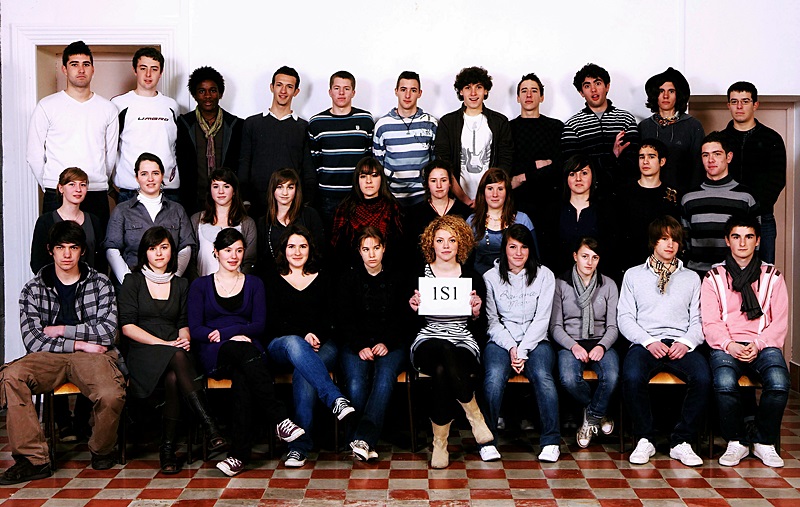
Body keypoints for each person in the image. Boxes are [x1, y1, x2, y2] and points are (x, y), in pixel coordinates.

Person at [0, 221, 124, 484]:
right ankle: (33, 460)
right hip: (51, 356)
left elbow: (107, 333)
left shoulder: (101, 283)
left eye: (73, 247)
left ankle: (101, 449)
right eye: (60, 247)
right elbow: (33, 340)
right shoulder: (33, 289)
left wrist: (62, 330)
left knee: (111, 394)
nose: (67, 254)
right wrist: (79, 343)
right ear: (50, 250)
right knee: (12, 376)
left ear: (82, 251)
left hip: (93, 356)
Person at [188, 228, 305, 477]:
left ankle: (238, 457)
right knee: (243, 351)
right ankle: (279, 418)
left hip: (248, 352)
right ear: (215, 252)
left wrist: (230, 331)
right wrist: (230, 335)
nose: (233, 256)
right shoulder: (200, 285)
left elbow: (259, 325)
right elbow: (196, 329)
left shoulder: (254, 283)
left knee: (244, 377)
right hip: (215, 352)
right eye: (227, 250)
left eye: (239, 250)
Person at [119, 226, 226, 474]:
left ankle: (167, 450)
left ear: (172, 251)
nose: (159, 253)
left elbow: (183, 324)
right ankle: (210, 427)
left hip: (174, 348)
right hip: (143, 350)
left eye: (164, 247)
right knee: (177, 357)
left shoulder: (181, 284)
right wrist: (165, 344)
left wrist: (184, 339)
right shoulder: (132, 281)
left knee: (174, 376)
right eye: (152, 248)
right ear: (144, 252)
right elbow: (127, 327)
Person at [618, 216, 710, 467]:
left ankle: (682, 441)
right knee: (632, 376)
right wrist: (648, 341)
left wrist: (686, 342)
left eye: (675, 240)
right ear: (653, 242)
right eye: (664, 239)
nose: (670, 245)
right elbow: (625, 317)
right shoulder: (634, 275)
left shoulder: (691, 278)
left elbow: (699, 319)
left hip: (681, 342)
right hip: (646, 342)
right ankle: (644, 439)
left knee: (703, 378)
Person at [701, 215, 789, 468]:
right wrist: (729, 345)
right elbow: (710, 322)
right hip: (726, 345)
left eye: (749, 237)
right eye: (736, 237)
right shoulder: (714, 277)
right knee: (724, 382)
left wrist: (758, 344)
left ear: (758, 241)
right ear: (727, 241)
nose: (742, 243)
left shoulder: (772, 276)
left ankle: (763, 441)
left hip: (763, 344)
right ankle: (736, 441)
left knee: (779, 382)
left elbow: (779, 322)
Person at [264, 225, 356, 468]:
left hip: (321, 344)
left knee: (303, 372)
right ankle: (334, 398)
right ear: (283, 250)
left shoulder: (324, 277)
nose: (297, 252)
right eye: (291, 246)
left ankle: (298, 448)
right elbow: (273, 321)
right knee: (295, 343)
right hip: (282, 345)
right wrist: (303, 335)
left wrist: (317, 335)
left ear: (310, 249)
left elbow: (332, 317)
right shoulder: (272, 278)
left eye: (302, 246)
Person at [407, 215, 490, 468]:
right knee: (443, 349)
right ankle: (474, 414)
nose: (445, 246)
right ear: (431, 243)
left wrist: (476, 312)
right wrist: (412, 309)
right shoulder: (418, 276)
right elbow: (406, 323)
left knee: (443, 369)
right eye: (440, 240)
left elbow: (482, 325)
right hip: (428, 340)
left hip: (462, 341)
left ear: (460, 243)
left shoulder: (472, 277)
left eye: (452, 240)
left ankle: (440, 444)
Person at [480, 225, 557, 462]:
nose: (518, 253)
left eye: (524, 247)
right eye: (512, 247)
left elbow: (542, 319)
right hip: (502, 341)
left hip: (536, 341)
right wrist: (512, 347)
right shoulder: (490, 277)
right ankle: (487, 441)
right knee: (493, 377)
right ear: (504, 248)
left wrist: (522, 350)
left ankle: (551, 441)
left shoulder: (545, 275)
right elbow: (492, 322)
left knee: (543, 376)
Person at [337, 227, 412, 461]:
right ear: (359, 251)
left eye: (376, 248)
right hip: (356, 343)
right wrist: (360, 345)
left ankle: (363, 439)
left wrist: (386, 342)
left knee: (384, 377)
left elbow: (403, 317)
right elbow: (344, 318)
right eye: (366, 249)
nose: (371, 254)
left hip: (390, 343)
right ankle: (356, 439)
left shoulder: (397, 276)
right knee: (356, 384)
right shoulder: (348, 278)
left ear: (384, 249)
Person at [27, 41, 118, 224]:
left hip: (96, 191)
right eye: (74, 64)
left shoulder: (108, 109)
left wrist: (98, 180)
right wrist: (52, 184)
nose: (81, 70)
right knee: (56, 241)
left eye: (86, 64)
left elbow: (110, 156)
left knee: (95, 242)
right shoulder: (47, 106)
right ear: (64, 69)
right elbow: (34, 154)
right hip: (57, 192)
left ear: (93, 69)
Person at [550, 237, 619, 449]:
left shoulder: (608, 284)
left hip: (600, 341)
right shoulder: (560, 284)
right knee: (569, 379)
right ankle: (600, 411)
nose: (589, 262)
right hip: (571, 342)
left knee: (612, 376)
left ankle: (591, 417)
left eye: (595, 257)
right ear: (575, 256)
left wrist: (601, 346)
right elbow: (555, 326)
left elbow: (613, 326)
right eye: (585, 256)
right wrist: (573, 346)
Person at [105, 152, 196, 285]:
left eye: (155, 173)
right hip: (133, 283)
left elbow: (186, 248)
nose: (150, 179)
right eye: (144, 174)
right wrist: (128, 282)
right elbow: (112, 249)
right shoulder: (122, 210)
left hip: (169, 284)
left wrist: (172, 279)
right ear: (137, 177)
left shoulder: (177, 210)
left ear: (162, 175)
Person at [723, 82, 787, 264]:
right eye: (734, 102)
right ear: (728, 105)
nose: (739, 106)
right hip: (726, 215)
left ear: (755, 105)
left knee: (764, 271)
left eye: (745, 101)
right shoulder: (721, 140)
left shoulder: (772, 138)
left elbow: (778, 179)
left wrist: (755, 206)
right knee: (725, 271)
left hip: (762, 217)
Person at [239, 66, 316, 217]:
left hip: (291, 205)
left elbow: (308, 169)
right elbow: (244, 164)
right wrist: (244, 199)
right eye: (279, 85)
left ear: (296, 92)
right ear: (272, 87)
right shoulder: (252, 123)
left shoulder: (303, 127)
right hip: (257, 204)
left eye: (289, 87)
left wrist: (306, 203)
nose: (283, 91)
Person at [434, 66, 513, 206]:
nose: (473, 93)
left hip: (492, 200)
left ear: (486, 90)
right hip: (456, 201)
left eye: (479, 87)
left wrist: (488, 197)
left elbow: (505, 164)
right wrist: (465, 199)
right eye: (467, 87)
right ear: (461, 91)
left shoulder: (499, 122)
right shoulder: (447, 123)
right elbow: (444, 166)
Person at [681, 132, 758, 274]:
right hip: (697, 274)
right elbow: (684, 241)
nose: (711, 160)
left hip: (735, 275)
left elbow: (755, 241)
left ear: (729, 157)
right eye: (705, 155)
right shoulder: (689, 198)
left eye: (717, 154)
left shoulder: (746, 197)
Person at [308, 71, 374, 230]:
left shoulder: (365, 120)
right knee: (329, 240)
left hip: (359, 195)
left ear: (353, 92)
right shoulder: (317, 122)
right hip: (327, 197)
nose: (341, 93)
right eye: (337, 88)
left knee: (361, 239)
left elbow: (370, 158)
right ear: (330, 91)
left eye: (346, 88)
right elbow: (314, 161)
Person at [112, 47, 180, 203]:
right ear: (135, 70)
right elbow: (109, 146)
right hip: (130, 189)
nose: (148, 74)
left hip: (168, 189)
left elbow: (175, 146)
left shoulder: (171, 106)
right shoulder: (119, 104)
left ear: (161, 73)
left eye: (154, 69)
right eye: (143, 68)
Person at [561, 63, 639, 197]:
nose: (593, 90)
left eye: (598, 83)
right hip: (589, 197)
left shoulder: (626, 119)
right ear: (581, 92)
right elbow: (572, 167)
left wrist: (598, 162)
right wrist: (612, 157)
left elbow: (634, 160)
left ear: (607, 86)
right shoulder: (572, 125)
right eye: (587, 86)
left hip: (624, 194)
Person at [176, 66, 243, 215]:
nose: (207, 96)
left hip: (227, 201)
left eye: (213, 90)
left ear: (220, 94)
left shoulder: (235, 125)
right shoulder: (184, 124)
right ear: (194, 95)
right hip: (192, 200)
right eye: (202, 91)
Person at [372, 71, 438, 206]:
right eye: (403, 90)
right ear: (396, 91)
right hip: (391, 197)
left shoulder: (430, 123)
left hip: (423, 197)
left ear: (420, 93)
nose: (407, 95)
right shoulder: (382, 125)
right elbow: (378, 164)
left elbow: (435, 162)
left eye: (413, 90)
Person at [541, 155, 614, 276]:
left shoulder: (604, 211)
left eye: (584, 173)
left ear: (593, 176)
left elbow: (609, 251)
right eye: (572, 174)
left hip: (596, 279)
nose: (578, 178)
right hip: (559, 279)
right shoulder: (554, 211)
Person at [616, 140, 680, 275]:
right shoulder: (624, 193)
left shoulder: (672, 195)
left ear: (662, 161)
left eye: (651, 157)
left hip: (663, 266)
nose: (645, 161)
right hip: (630, 264)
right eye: (641, 157)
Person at [638, 68, 705, 196]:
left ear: (678, 95)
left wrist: (692, 197)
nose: (666, 96)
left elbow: (698, 167)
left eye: (671, 91)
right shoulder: (644, 127)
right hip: (648, 195)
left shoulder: (692, 126)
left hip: (683, 196)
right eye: (661, 91)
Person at [509, 73, 564, 227]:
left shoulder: (556, 127)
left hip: (550, 200)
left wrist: (522, 177)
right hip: (517, 202)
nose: (529, 95)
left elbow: (558, 167)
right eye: (524, 91)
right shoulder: (508, 128)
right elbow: (509, 165)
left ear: (542, 97)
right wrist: (536, 165)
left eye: (534, 90)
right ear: (518, 98)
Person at [331, 157, 403, 269]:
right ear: (357, 180)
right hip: (352, 272)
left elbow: (401, 251)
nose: (368, 181)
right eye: (363, 176)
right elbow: (337, 252)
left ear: (381, 179)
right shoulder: (345, 210)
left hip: (389, 272)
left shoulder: (393, 209)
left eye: (374, 175)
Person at [31, 167, 105, 274]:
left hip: (91, 282)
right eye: (72, 184)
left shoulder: (94, 221)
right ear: (61, 188)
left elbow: (101, 261)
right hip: (54, 282)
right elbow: (37, 262)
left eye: (82, 185)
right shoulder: (45, 221)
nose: (78, 189)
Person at [466, 168, 536, 275]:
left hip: (515, 279)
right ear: (483, 191)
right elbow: (464, 260)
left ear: (507, 192)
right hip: (480, 279)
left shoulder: (522, 220)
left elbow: (534, 259)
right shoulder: (472, 221)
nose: (495, 194)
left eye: (500, 189)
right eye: (490, 189)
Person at [256, 168, 325, 276]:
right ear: (272, 189)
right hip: (274, 278)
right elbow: (262, 259)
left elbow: (319, 252)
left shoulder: (310, 215)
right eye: (279, 187)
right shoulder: (263, 222)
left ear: (296, 190)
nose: (285, 193)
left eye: (290, 187)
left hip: (307, 275)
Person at [190, 168, 256, 277]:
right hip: (203, 284)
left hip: (237, 284)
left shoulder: (247, 223)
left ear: (234, 191)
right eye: (216, 186)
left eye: (226, 186)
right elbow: (191, 260)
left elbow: (249, 261)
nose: (221, 191)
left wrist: (240, 284)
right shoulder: (196, 220)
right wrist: (198, 283)